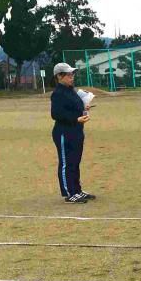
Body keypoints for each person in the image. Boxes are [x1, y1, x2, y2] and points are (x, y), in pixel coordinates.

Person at [50, 62, 94, 203]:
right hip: (64, 132)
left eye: (72, 74)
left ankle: (77, 190)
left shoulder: (71, 91)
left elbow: (75, 108)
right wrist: (75, 118)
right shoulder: (58, 93)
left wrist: (85, 107)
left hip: (76, 130)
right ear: (59, 76)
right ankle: (70, 192)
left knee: (75, 161)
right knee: (66, 163)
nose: (71, 76)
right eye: (68, 74)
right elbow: (56, 114)